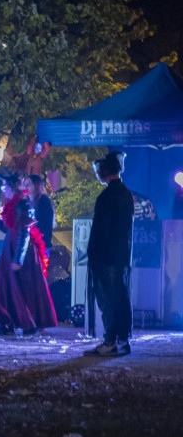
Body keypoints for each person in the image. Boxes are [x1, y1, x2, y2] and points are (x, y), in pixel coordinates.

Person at [0, 172, 57, 336]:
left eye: (4, 186)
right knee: (6, 288)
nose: (3, 189)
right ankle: (7, 323)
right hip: (11, 250)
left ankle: (28, 323)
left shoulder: (21, 204)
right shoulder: (15, 204)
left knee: (20, 288)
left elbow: (24, 231)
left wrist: (18, 258)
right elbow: (10, 229)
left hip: (19, 252)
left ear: (12, 188)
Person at [84, 151, 133, 357]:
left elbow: (102, 230)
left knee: (108, 299)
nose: (97, 171)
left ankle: (110, 341)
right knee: (121, 297)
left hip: (106, 258)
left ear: (106, 170)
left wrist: (95, 256)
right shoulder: (125, 193)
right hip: (121, 257)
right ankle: (122, 340)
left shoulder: (107, 196)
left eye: (100, 167)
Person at [23, 174, 54, 252]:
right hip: (27, 246)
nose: (25, 187)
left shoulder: (44, 203)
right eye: (24, 185)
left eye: (28, 185)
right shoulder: (24, 204)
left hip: (41, 247)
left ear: (36, 186)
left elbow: (43, 226)